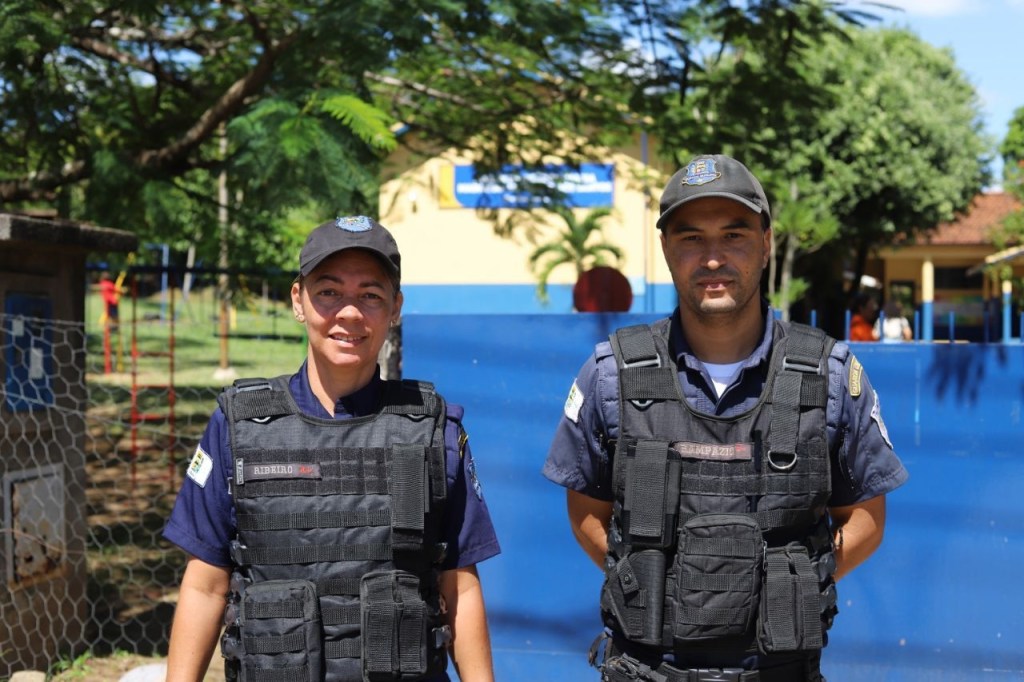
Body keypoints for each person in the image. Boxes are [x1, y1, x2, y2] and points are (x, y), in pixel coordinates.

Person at [542, 155, 908, 682]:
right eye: (691, 238)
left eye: (733, 235)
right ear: (667, 250)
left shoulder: (829, 374)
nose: (713, 258)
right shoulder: (611, 375)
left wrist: (787, 590)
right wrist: (659, 588)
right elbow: (586, 511)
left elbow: (866, 519)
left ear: (765, 244)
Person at [163, 215, 500, 682]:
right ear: (298, 300)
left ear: (395, 307)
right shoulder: (238, 426)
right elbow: (205, 585)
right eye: (329, 291)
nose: (349, 313)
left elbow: (459, 583)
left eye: (370, 295)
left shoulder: (431, 430)